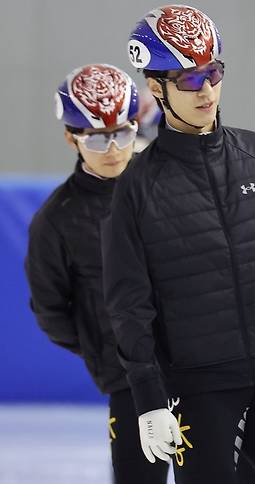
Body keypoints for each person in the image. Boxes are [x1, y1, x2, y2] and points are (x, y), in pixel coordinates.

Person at [103, 5, 255, 483]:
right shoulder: (136, 188)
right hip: (198, 390)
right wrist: (148, 400)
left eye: (213, 72)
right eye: (189, 80)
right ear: (156, 86)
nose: (206, 89)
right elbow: (130, 304)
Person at [24, 64, 168, 483]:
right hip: (128, 379)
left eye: (122, 134)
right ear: (71, 137)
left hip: (201, 367)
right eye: (98, 139)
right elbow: (51, 310)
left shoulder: (171, 182)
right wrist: (104, 344)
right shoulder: (56, 221)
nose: (112, 150)